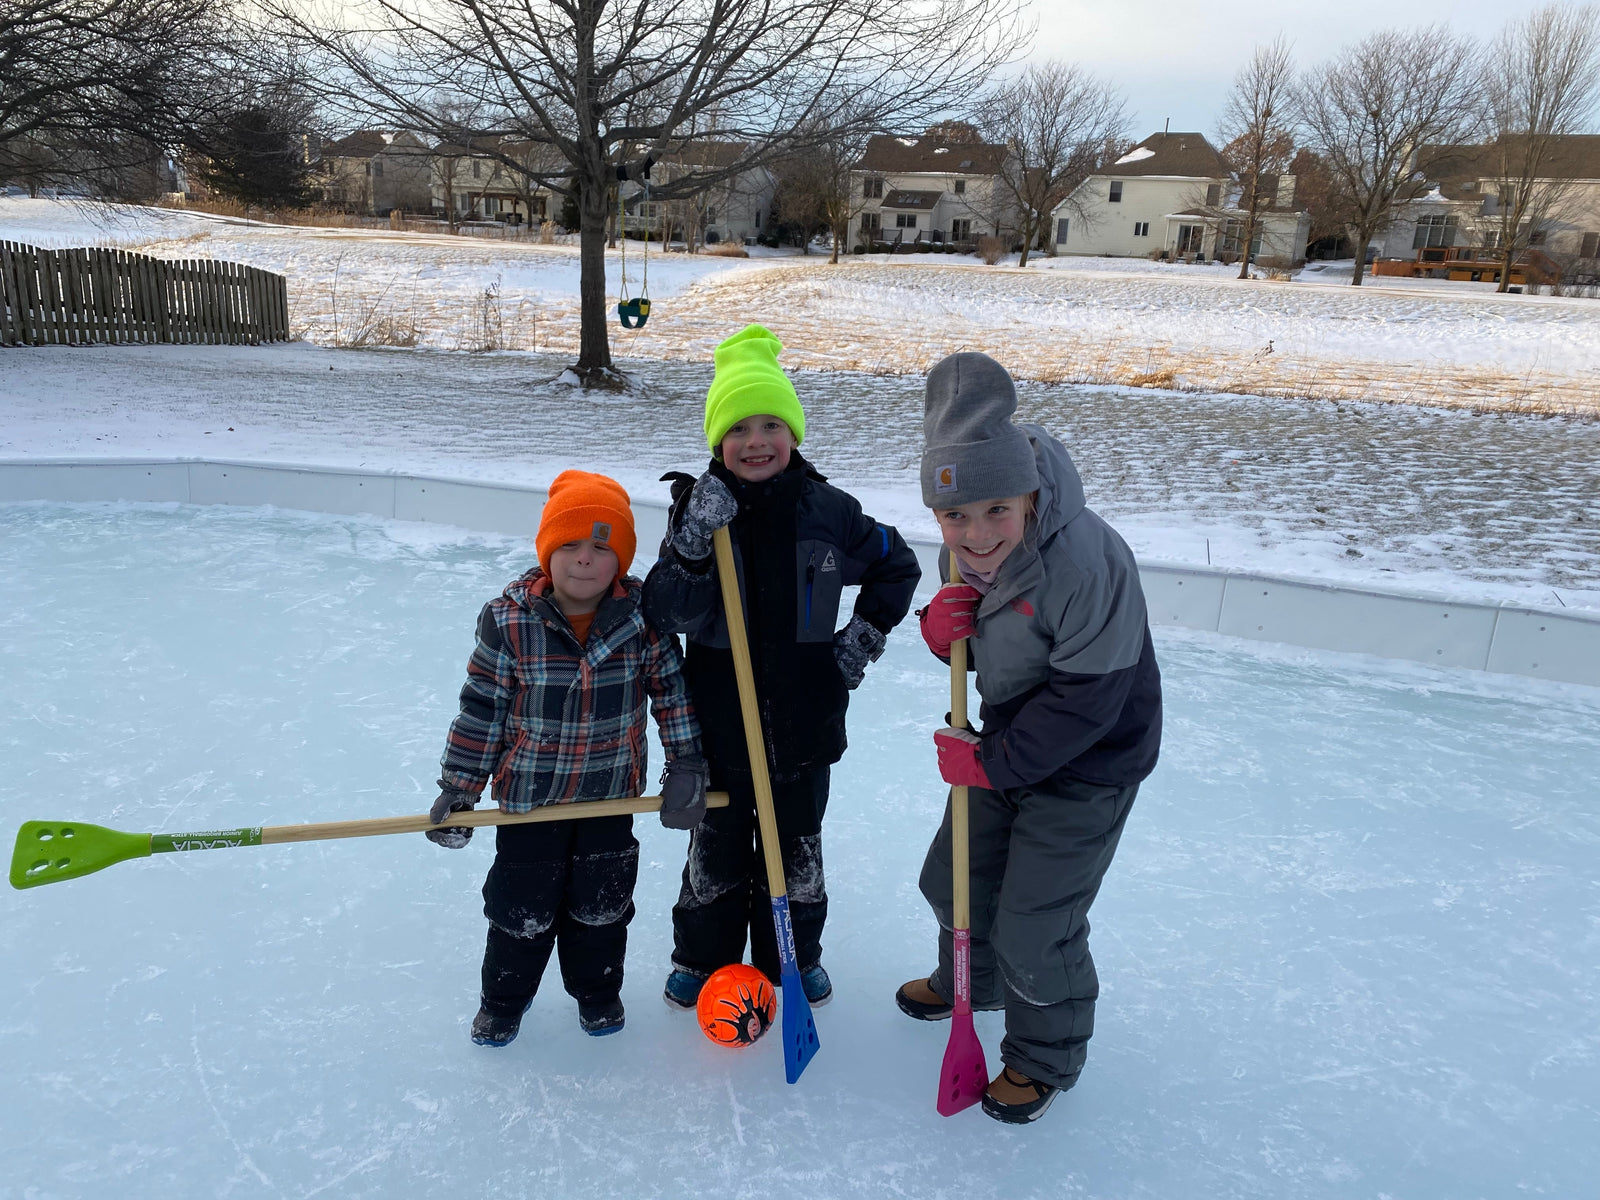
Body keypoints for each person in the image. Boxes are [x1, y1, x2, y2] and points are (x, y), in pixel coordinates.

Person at [895, 352, 1162, 1124]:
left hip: (1092, 762)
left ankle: (1044, 1056)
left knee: (1035, 922)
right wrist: (944, 634)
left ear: (1032, 494)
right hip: (1011, 741)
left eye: (996, 513)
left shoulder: (1088, 564)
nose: (976, 538)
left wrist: (989, 762)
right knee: (953, 880)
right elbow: (993, 640)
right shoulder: (965, 546)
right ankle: (970, 985)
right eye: (954, 517)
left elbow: (1088, 706)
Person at [643, 323, 921, 1011]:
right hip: (720, 720)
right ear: (717, 443)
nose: (757, 440)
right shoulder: (698, 511)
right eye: (738, 428)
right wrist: (691, 544)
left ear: (794, 433)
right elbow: (667, 612)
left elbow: (898, 563)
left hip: (805, 720)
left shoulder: (827, 511)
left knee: (796, 851)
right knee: (717, 848)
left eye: (772, 423)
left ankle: (791, 956)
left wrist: (859, 639)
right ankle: (702, 955)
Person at [427, 470, 707, 1046]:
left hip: (609, 798)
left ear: (621, 558)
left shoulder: (643, 620)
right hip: (530, 801)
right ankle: (503, 1004)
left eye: (602, 547)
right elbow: (483, 708)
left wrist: (685, 766)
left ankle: (598, 996)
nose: (585, 560)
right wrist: (460, 786)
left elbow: (673, 696)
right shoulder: (508, 621)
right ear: (547, 551)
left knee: (602, 910)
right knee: (518, 914)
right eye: (571, 545)